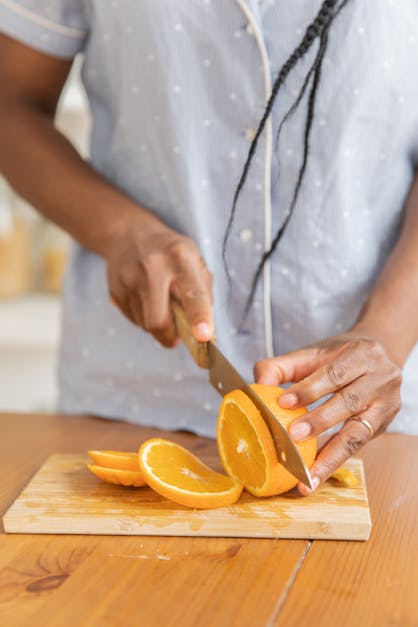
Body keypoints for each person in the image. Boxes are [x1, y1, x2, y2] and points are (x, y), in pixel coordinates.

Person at [0, 0, 417, 496]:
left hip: (374, 415)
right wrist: (118, 229)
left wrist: (387, 335)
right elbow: (11, 100)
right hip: (132, 399)